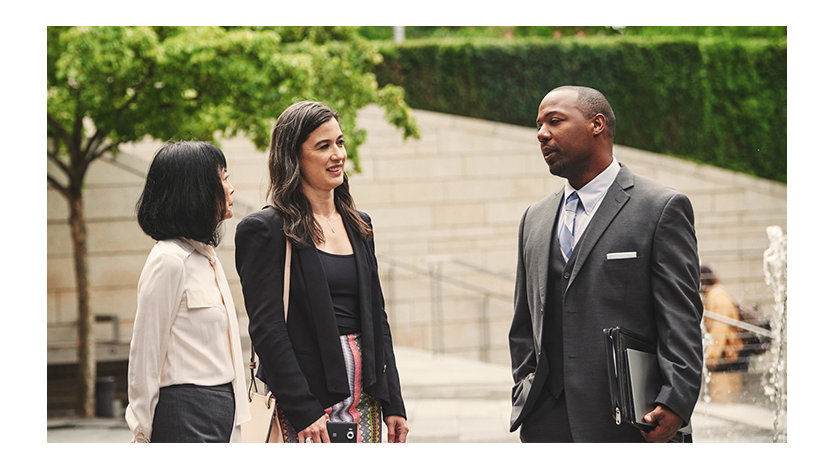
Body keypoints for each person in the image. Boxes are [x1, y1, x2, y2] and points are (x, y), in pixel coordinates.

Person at [508, 86, 703, 443]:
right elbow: (523, 323)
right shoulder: (534, 219)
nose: (541, 133)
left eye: (555, 121)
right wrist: (525, 391)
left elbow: (682, 318)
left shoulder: (660, 208)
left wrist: (676, 401)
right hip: (547, 426)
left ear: (597, 124)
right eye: (538, 125)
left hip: (635, 423)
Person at [235, 101, 408, 443]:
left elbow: (377, 318)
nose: (337, 155)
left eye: (340, 143)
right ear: (294, 157)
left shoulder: (360, 225)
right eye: (323, 146)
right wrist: (304, 409)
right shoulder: (266, 229)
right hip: (308, 408)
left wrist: (394, 402)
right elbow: (268, 329)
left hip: (368, 403)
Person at [126, 141, 250, 443]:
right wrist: (141, 430)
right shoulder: (168, 260)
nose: (231, 188)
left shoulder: (205, 256)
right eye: (222, 178)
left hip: (218, 408)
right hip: (185, 411)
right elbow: (145, 351)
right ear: (196, 190)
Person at [700, 265, 745, 402]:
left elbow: (720, 329)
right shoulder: (714, 294)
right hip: (726, 352)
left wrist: (712, 356)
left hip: (726, 353)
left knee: (723, 397)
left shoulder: (716, 296)